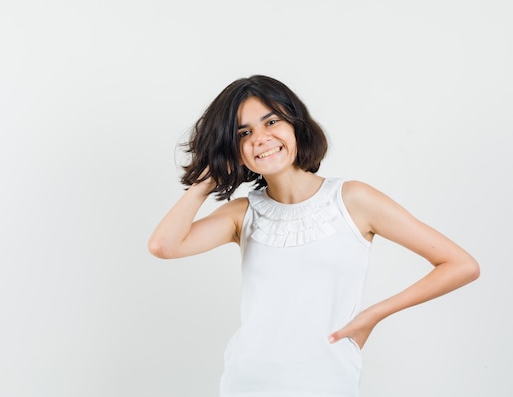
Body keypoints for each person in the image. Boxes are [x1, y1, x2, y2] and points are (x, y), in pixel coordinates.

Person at [148, 75, 479, 397]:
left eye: (272, 122)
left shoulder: (353, 200)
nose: (260, 138)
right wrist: (206, 181)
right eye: (243, 133)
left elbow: (460, 264)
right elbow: (164, 246)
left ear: (295, 125)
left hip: (328, 381)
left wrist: (372, 316)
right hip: (246, 382)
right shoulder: (242, 213)